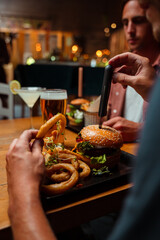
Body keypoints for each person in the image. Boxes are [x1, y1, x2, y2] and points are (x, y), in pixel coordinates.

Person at [6, 0, 160, 240]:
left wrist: (19, 193)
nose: (129, 29)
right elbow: (100, 113)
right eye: (125, 22)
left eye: (142, 18)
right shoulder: (124, 73)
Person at [103, 0, 160, 142]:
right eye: (125, 23)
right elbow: (106, 115)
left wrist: (142, 131)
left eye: (138, 21)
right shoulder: (119, 67)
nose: (129, 30)